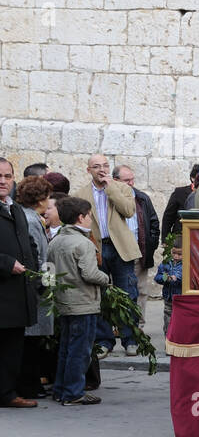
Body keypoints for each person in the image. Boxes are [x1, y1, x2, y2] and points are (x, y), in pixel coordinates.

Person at [47, 197, 111, 406]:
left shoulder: (55, 241)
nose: (91, 219)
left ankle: (61, 389)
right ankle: (73, 392)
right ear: (81, 217)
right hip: (83, 304)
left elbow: (48, 271)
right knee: (80, 350)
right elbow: (90, 274)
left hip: (64, 303)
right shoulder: (83, 243)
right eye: (89, 215)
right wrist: (106, 280)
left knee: (66, 347)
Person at [77, 154, 141, 357]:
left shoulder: (122, 188)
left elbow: (129, 210)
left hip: (120, 246)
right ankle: (104, 340)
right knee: (101, 295)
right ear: (89, 170)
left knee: (127, 294)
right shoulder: (81, 194)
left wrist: (110, 187)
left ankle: (130, 339)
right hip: (96, 248)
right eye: (96, 166)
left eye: (105, 165)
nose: (102, 169)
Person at [0, 159, 39, 408]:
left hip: (17, 293)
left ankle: (7, 392)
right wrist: (5, 263)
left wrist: (36, 273)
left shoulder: (15, 210)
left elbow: (29, 245)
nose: (2, 181)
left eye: (7, 176)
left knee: (12, 347)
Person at [14, 177, 53, 399]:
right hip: (37, 285)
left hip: (38, 282)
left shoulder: (31, 218)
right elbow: (37, 255)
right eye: (47, 197)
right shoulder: (30, 220)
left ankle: (32, 383)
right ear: (39, 199)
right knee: (31, 340)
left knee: (33, 339)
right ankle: (29, 385)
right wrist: (47, 284)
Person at [112, 165, 160, 308]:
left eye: (132, 179)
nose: (131, 183)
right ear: (115, 180)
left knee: (141, 290)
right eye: (127, 180)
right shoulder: (109, 198)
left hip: (140, 251)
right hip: (118, 252)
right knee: (118, 289)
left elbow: (153, 222)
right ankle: (119, 328)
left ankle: (139, 326)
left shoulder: (142, 198)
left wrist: (151, 244)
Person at [161, 165, 199, 247]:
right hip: (180, 237)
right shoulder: (179, 192)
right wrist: (165, 240)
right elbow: (168, 217)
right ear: (192, 178)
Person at [154, 243, 183, 338]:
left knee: (180, 320)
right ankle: (168, 339)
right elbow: (157, 277)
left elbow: (187, 278)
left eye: (180, 254)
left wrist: (177, 278)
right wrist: (164, 278)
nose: (176, 256)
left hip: (180, 298)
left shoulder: (186, 265)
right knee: (168, 319)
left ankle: (178, 340)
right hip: (168, 298)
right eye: (174, 253)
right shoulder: (165, 264)